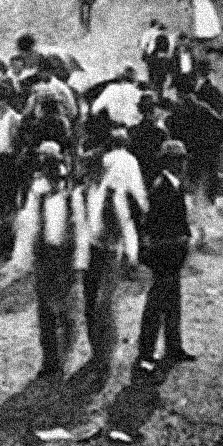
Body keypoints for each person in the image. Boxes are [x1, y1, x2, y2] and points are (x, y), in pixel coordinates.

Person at [0, 142, 90, 380]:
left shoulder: (73, 198)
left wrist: (80, 264)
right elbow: (28, 229)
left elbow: (82, 231)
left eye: (58, 178)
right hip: (44, 257)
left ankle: (66, 355)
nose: (54, 182)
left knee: (67, 310)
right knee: (45, 312)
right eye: (51, 177)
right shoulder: (37, 197)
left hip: (66, 259)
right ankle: (50, 360)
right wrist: (20, 262)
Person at [80, 134, 144, 383]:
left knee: (104, 305)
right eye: (87, 171)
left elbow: (127, 226)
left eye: (94, 171)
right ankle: (96, 351)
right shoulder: (82, 194)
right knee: (89, 303)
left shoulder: (112, 195)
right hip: (90, 252)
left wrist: (132, 256)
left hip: (110, 253)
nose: (90, 175)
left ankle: (107, 355)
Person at [134, 140, 196, 372]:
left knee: (172, 303)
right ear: (168, 162)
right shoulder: (162, 188)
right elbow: (153, 226)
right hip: (164, 255)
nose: (182, 164)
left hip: (173, 253)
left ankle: (173, 347)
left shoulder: (174, 185)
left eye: (182, 160)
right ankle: (146, 353)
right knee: (156, 305)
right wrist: (175, 242)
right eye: (178, 160)